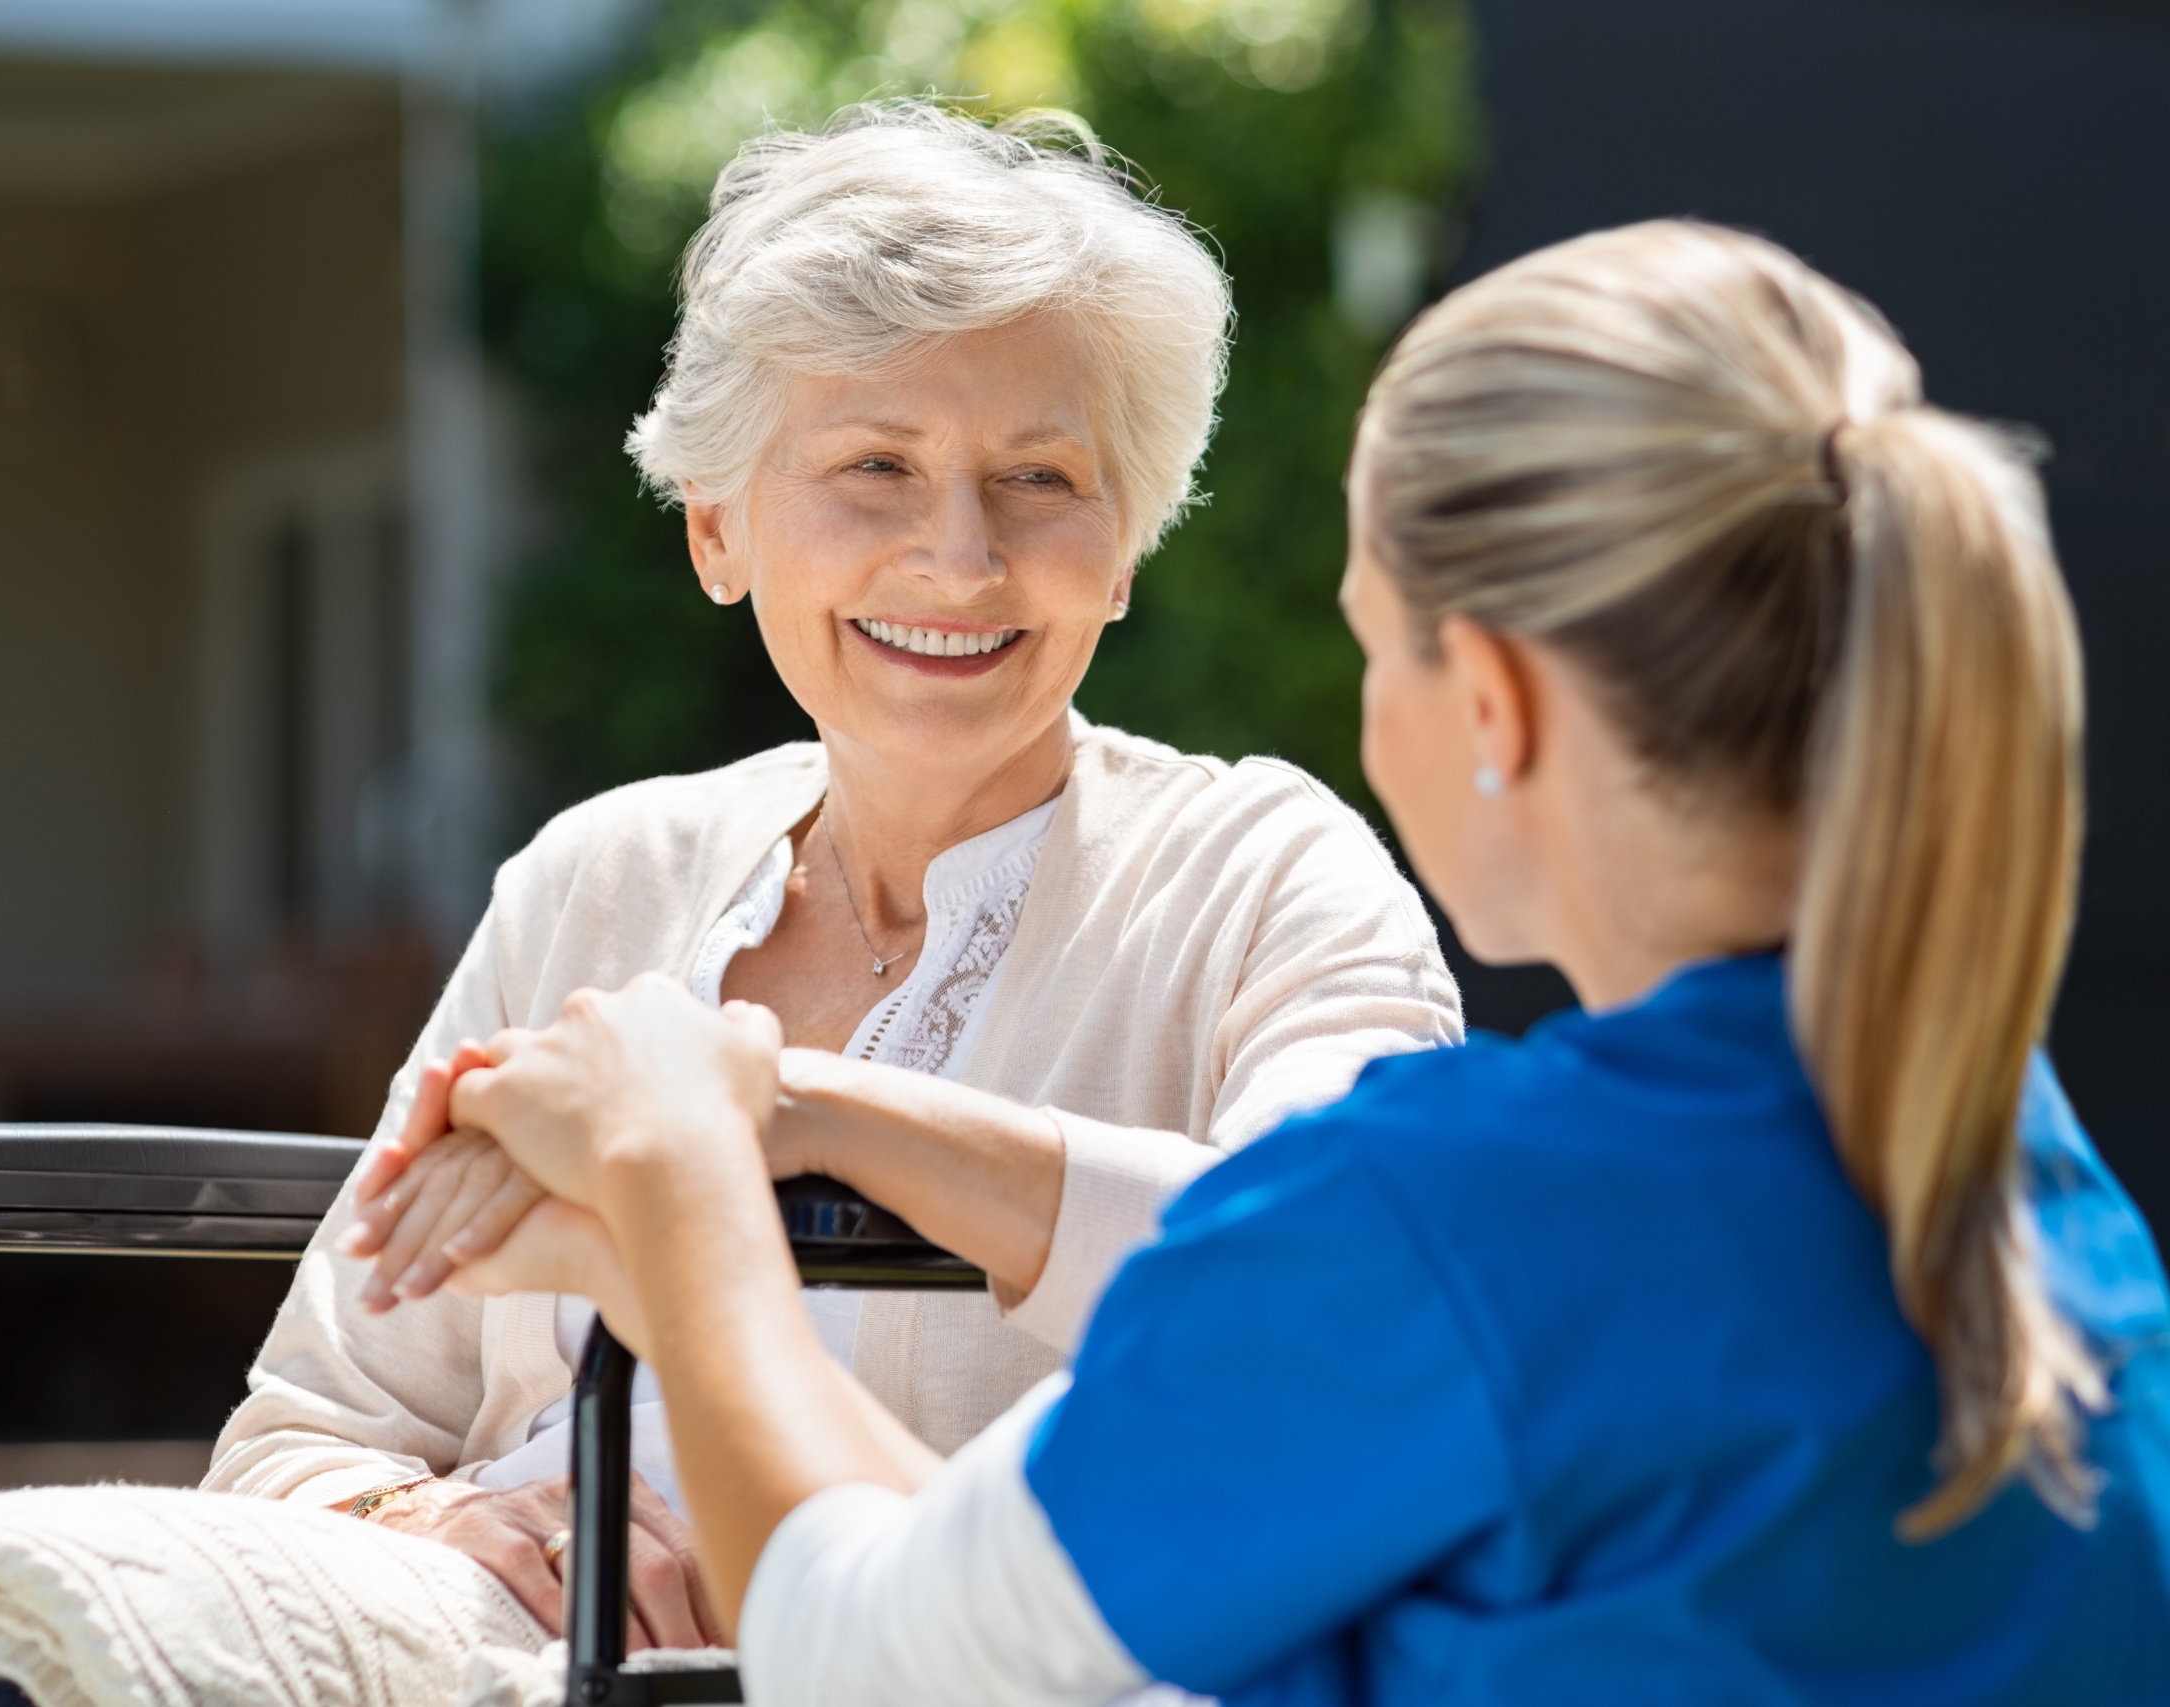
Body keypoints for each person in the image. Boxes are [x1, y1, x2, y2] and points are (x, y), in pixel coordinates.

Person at [425, 220, 2170, 1704]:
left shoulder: (1451, 1223)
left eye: (1366, 645)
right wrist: (812, 1107)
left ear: (1486, 701)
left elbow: (875, 1654)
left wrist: (680, 1193)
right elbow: (1038, 1639)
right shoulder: (2012, 1161)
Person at [201, 99, 1462, 1652]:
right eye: (876, 465)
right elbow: (302, 1436)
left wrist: (780, 1109)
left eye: (1041, 480)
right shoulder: (597, 880)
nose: (959, 558)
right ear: (717, 529)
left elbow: (1336, 1298)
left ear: (1125, 548)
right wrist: (449, 1523)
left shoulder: (1269, 876)